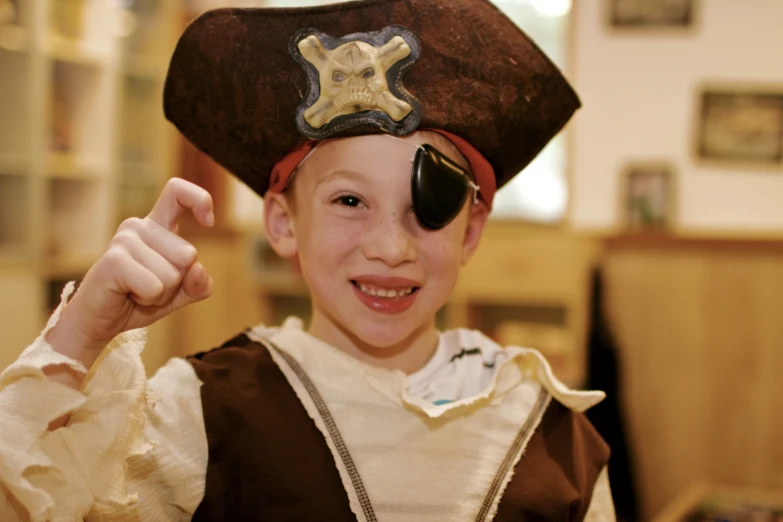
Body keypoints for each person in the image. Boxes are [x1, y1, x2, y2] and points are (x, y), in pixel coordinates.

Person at [0, 0, 615, 520]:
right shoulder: (202, 413)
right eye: (350, 200)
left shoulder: (555, 436)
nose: (390, 247)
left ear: (471, 230)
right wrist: (82, 333)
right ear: (283, 222)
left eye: (426, 207)